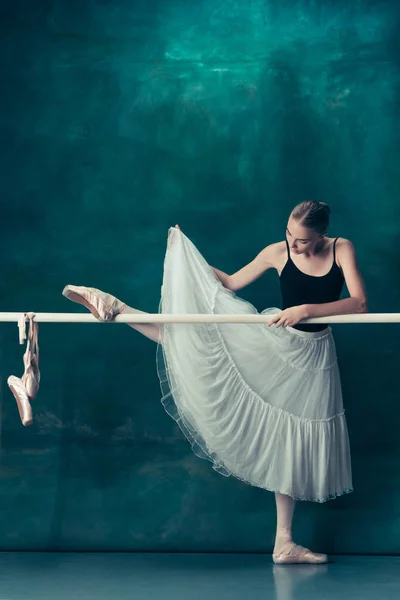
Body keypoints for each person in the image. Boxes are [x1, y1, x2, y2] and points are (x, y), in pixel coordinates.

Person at [62, 200, 368, 564]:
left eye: (301, 240)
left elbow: (359, 303)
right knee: (192, 342)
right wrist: (189, 263)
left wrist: (306, 310)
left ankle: (284, 542)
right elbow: (232, 282)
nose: (293, 243)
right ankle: (118, 308)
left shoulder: (341, 248)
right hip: (278, 344)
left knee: (291, 441)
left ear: (321, 235)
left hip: (314, 356)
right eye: (289, 234)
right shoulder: (277, 252)